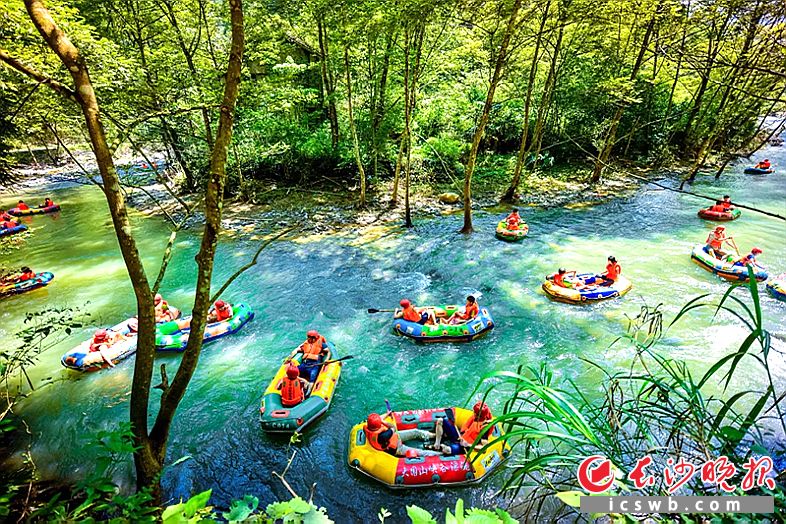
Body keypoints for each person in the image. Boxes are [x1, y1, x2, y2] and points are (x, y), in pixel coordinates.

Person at [364, 413, 442, 457]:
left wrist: (387, 413)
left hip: (395, 437)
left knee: (415, 432)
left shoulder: (368, 427)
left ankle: (434, 435)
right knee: (420, 452)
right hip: (397, 448)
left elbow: (379, 418)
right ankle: (440, 454)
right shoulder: (383, 436)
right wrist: (383, 422)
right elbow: (393, 427)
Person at [430, 402, 495, 455]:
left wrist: (468, 445)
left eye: (476, 413)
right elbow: (465, 429)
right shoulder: (475, 417)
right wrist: (461, 436)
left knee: (446, 450)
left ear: (481, 415)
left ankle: (443, 445)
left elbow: (484, 449)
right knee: (440, 420)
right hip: (460, 438)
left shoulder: (484, 428)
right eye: (474, 412)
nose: (474, 414)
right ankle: (437, 444)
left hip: (466, 447)